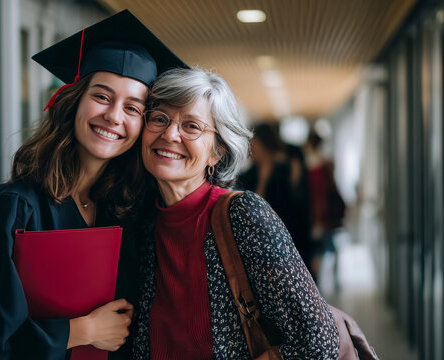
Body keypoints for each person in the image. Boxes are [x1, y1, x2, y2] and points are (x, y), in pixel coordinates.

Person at [0, 10, 187, 359]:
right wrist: (80, 330)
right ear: (73, 102)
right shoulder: (15, 208)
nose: (114, 116)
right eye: (102, 96)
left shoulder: (130, 212)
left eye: (133, 108)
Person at [132, 68, 339, 359]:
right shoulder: (141, 222)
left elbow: (319, 343)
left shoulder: (242, 215)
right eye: (159, 119)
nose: (169, 134)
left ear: (217, 151)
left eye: (191, 126)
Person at [236, 124, 313, 272]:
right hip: (258, 245)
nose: (250, 150)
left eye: (253, 144)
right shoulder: (247, 177)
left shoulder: (286, 171)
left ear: (265, 144)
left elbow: (299, 208)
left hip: (287, 240)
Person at [304, 129, 346, 285]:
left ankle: (317, 283)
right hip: (326, 213)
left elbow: (317, 194)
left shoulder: (310, 165)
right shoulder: (326, 162)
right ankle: (329, 279)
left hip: (317, 213)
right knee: (326, 246)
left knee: (319, 248)